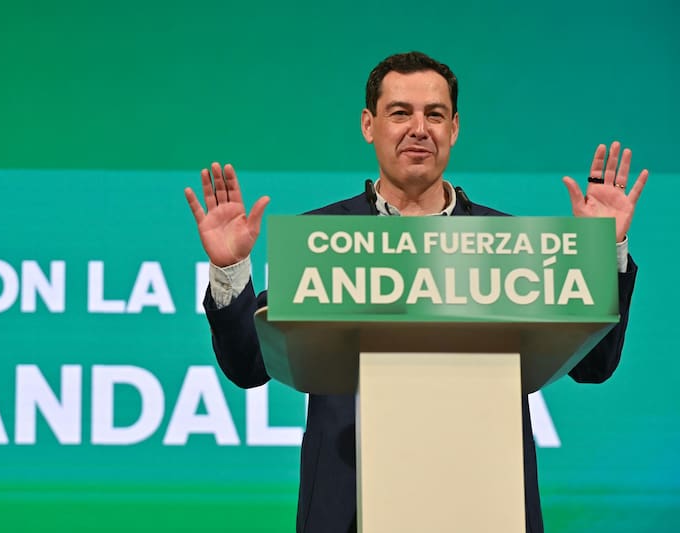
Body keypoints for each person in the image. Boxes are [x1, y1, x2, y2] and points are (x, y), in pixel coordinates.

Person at [183, 51, 647, 533]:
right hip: (348, 508)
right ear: (369, 124)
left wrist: (604, 250)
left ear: (455, 128)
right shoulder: (324, 238)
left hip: (488, 504)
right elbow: (249, 367)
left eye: (435, 115)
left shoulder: (507, 243)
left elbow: (594, 367)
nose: (419, 129)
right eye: (400, 113)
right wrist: (230, 266)